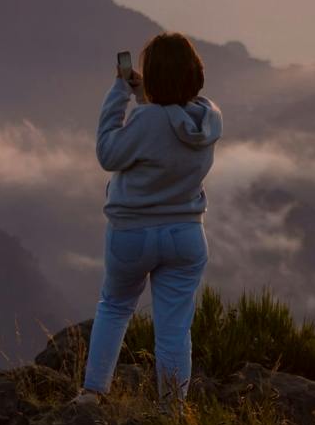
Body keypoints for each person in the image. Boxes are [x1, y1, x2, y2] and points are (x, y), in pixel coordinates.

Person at [76, 32, 220, 403]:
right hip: (186, 236)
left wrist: (120, 92)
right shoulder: (208, 119)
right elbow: (168, 123)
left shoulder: (144, 122)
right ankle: (171, 412)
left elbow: (109, 153)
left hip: (133, 235)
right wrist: (145, 96)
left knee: (116, 307)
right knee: (174, 330)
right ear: (195, 73)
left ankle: (93, 393)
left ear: (154, 76)